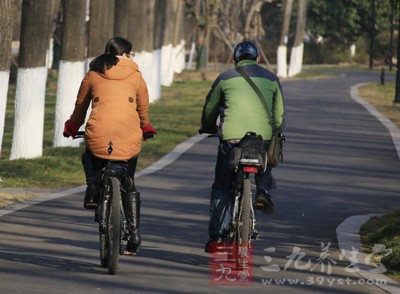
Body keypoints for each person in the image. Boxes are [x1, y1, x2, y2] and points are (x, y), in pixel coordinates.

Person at [63, 37, 157, 255]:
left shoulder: (93, 74)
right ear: (124, 55)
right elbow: (143, 109)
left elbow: (80, 107)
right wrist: (146, 128)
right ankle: (134, 234)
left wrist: (72, 127)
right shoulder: (136, 76)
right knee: (129, 184)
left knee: (90, 155)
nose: (133, 57)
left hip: (99, 136)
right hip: (128, 136)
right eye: (131, 53)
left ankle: (93, 188)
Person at [199, 41, 286, 253]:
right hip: (261, 139)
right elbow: (279, 115)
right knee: (268, 150)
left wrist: (208, 126)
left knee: (222, 186)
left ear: (234, 60)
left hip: (232, 140)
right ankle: (262, 189)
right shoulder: (272, 79)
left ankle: (218, 238)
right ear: (258, 59)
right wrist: (276, 131)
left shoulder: (225, 78)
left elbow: (210, 108)